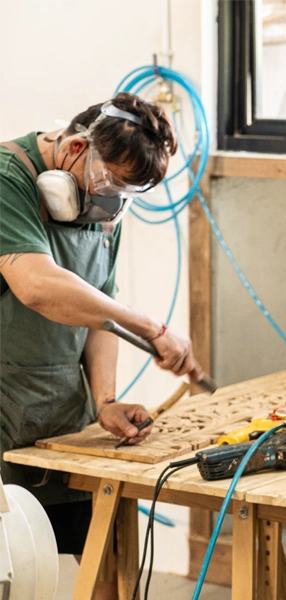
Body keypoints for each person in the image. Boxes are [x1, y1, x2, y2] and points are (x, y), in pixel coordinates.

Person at [0, 92, 204, 600]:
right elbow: (38, 287)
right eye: (109, 181)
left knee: (104, 559)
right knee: (7, 566)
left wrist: (105, 403)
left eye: (126, 191)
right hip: (3, 407)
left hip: (59, 414)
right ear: (74, 146)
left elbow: (98, 313)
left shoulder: (104, 203)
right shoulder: (8, 179)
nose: (111, 198)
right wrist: (153, 328)